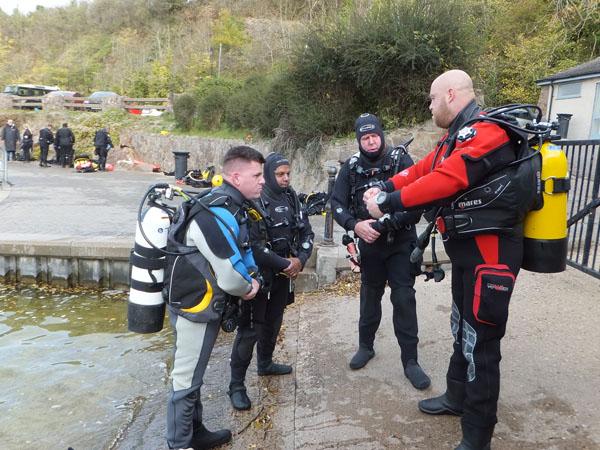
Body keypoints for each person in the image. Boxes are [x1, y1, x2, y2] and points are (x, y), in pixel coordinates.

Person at [365, 70, 526, 450]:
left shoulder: (488, 131)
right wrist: (387, 185)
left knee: (482, 343)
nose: (430, 106)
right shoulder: (457, 135)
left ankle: (478, 435)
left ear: (451, 94)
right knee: (462, 330)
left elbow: (449, 178)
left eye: (432, 99)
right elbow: (424, 169)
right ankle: (456, 398)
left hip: (492, 257)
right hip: (468, 254)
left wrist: (388, 202)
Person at [162, 145, 265, 450]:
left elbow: (242, 250)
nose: (263, 180)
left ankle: (196, 433)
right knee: (185, 377)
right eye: (256, 175)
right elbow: (230, 275)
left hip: (202, 302)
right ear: (236, 176)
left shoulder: (232, 207)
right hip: (194, 306)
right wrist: (250, 288)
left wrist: (252, 276)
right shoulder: (212, 214)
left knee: (193, 371)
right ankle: (179, 444)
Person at [331, 113, 431, 390]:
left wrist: (386, 222)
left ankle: (411, 361)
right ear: (359, 140)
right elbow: (337, 203)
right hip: (370, 245)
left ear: (382, 135)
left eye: (374, 135)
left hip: (400, 242)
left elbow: (418, 202)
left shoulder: (400, 161)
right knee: (369, 297)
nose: (371, 141)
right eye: (365, 137)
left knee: (403, 300)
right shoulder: (350, 168)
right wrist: (356, 225)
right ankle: (366, 346)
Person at [228, 152, 314, 411]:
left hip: (283, 277)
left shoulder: (291, 198)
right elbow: (253, 247)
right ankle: (236, 385)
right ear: (268, 175)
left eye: (288, 173)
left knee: (275, 320)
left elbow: (306, 231)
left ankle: (265, 364)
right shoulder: (255, 201)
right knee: (250, 330)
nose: (286, 178)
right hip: (259, 278)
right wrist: (287, 264)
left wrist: (300, 259)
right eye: (280, 174)